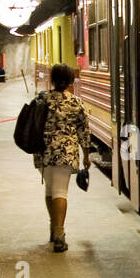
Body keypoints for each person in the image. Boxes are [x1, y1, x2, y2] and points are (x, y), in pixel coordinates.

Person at [34, 63, 90, 252]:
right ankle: (59, 234)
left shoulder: (42, 100)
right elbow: (84, 132)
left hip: (44, 152)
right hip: (65, 153)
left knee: (50, 191)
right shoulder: (75, 102)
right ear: (70, 82)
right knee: (60, 192)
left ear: (52, 79)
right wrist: (86, 156)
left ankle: (53, 228)